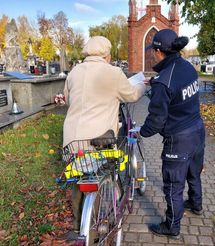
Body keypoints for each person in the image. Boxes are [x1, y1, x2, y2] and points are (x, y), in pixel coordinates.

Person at [63, 36, 146, 235]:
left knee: (77, 175)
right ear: (107, 55)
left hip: (72, 138)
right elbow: (132, 95)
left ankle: (79, 224)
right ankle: (95, 222)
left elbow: (67, 99)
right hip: (99, 137)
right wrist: (142, 84)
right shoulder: (113, 72)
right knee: (102, 171)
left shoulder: (74, 72)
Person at [140, 29, 205, 239]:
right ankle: (196, 204)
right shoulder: (188, 67)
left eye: (153, 50)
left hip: (178, 138)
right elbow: (177, 90)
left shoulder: (163, 81)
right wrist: (156, 86)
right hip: (197, 130)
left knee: (173, 184)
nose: (152, 54)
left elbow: (156, 121)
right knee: (194, 172)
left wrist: (141, 131)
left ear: (159, 51)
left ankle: (172, 226)